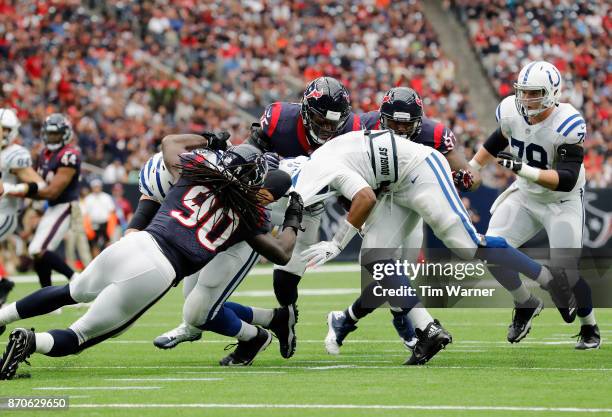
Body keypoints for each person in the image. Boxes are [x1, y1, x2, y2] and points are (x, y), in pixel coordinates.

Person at [0, 143, 303, 379]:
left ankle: (3, 316)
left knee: (72, 291)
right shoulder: (249, 215)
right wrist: (292, 217)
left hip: (134, 243)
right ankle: (31, 342)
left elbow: (170, 142)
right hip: (158, 271)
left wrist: (210, 140)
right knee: (81, 335)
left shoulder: (195, 170)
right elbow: (281, 252)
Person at [296, 129, 576, 365]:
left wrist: (336, 242)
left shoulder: (326, 164)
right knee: (374, 257)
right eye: (391, 121)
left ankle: (549, 277)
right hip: (394, 187)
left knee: (466, 246)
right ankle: (426, 330)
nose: (396, 126)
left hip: (421, 170)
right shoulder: (325, 158)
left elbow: (365, 197)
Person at [157, 76, 379, 358]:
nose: (327, 129)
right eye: (321, 121)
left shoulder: (353, 130)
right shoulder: (280, 120)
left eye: (333, 123)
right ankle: (210, 323)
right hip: (266, 201)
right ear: (305, 112)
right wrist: (256, 164)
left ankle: (277, 317)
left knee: (283, 283)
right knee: (198, 294)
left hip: (307, 208)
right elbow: (247, 153)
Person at [324, 87, 481, 354]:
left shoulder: (434, 133)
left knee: (396, 276)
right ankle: (410, 327)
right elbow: (342, 173)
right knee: (387, 271)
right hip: (379, 202)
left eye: (404, 123)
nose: (397, 129)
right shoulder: (363, 126)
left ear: (418, 122)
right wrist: (356, 208)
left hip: (411, 203)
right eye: (392, 122)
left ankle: (345, 319)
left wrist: (464, 178)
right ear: (381, 118)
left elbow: (471, 176)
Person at [468, 60, 600, 349]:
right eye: (523, 92)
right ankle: (525, 303)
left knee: (568, 271)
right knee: (490, 247)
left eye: (534, 93)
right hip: (525, 195)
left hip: (561, 201)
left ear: (553, 92)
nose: (526, 99)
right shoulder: (510, 110)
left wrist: (522, 169)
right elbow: (499, 136)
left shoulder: (568, 122)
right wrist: (473, 165)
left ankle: (589, 326)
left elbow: (566, 178)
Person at [9, 114, 80, 287]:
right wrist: (35, 208)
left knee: (38, 249)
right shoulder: (44, 154)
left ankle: (77, 280)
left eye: (55, 134)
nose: (51, 138)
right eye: (49, 134)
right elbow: (37, 183)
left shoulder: (69, 155)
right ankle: (48, 296)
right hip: (50, 208)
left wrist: (19, 190)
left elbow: (52, 192)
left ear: (64, 135)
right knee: (36, 251)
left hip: (65, 206)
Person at [0, 109, 46, 303]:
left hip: (4, 213)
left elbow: (40, 185)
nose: (1, 133)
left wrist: (9, 187)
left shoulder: (14, 154)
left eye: (5, 129)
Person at [83, 179, 115, 255]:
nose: (96, 188)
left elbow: (112, 212)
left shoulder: (106, 197)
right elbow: (85, 214)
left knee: (107, 243)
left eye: (98, 187)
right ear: (92, 188)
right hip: (92, 224)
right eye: (95, 187)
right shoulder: (88, 198)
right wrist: (87, 227)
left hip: (105, 224)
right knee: (94, 244)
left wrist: (111, 227)